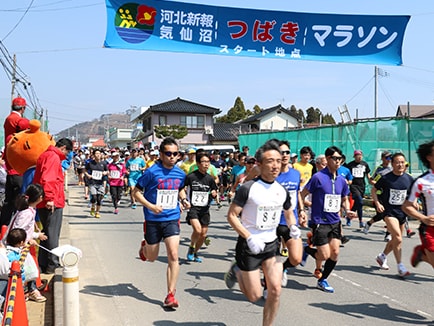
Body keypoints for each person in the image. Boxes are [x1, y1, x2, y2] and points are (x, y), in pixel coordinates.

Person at [224, 140, 301, 326]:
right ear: (259, 164)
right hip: (249, 246)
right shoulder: (248, 188)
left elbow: (288, 212)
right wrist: (248, 237)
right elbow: (232, 216)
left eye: (278, 160)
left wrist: (293, 226)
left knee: (275, 290)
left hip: (271, 245)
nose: (275, 165)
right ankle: (238, 270)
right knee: (255, 295)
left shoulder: (281, 190)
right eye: (270, 161)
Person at [132, 137, 190, 309]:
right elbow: (136, 192)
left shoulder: (180, 173)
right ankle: (145, 248)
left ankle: (171, 294)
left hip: (172, 218)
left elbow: (179, 188)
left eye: (175, 154)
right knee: (152, 258)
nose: (172, 157)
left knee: (173, 254)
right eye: (168, 153)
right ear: (161, 154)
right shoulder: (151, 172)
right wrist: (151, 206)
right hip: (153, 219)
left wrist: (184, 200)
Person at [300, 146, 356, 293]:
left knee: (335, 253)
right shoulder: (318, 177)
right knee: (324, 255)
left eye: (340, 159)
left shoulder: (342, 180)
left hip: (335, 221)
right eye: (335, 158)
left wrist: (347, 210)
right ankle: (305, 250)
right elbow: (302, 194)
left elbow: (344, 198)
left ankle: (322, 279)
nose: (338, 162)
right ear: (328, 159)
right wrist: (302, 211)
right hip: (320, 221)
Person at [33, 137, 72, 274]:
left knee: (46, 234)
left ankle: (44, 263)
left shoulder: (45, 155)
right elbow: (48, 179)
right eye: (67, 153)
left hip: (45, 201)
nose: (67, 156)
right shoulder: (53, 157)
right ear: (63, 149)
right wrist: (50, 198)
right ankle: (52, 263)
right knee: (52, 234)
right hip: (52, 201)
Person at [371, 153, 413, 277]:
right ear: (392, 164)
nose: (400, 164)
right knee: (398, 238)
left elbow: (413, 194)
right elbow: (374, 190)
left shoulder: (409, 179)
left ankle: (382, 256)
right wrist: (378, 203)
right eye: (397, 162)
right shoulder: (385, 178)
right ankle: (400, 266)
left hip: (402, 212)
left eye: (402, 162)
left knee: (396, 239)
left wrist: (414, 203)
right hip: (389, 212)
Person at [275, 140, 305, 287]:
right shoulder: (271, 174)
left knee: (296, 258)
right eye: (282, 152)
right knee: (270, 260)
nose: (285, 155)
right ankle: (268, 287)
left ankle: (284, 268)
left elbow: (297, 193)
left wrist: (302, 210)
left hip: (290, 221)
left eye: (287, 152)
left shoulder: (295, 174)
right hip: (271, 223)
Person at [402, 140, 434, 269]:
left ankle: (422, 255)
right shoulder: (421, 181)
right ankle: (423, 254)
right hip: (431, 229)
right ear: (429, 157)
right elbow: (406, 206)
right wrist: (424, 218)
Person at [0, 97, 30, 226]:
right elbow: (26, 125)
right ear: (23, 108)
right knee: (20, 201)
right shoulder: (18, 120)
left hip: (10, 166)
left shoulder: (8, 119)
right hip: (18, 167)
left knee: (9, 202)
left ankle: (3, 230)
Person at [184, 151, 218, 263]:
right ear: (198, 163)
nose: (206, 164)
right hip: (193, 208)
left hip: (205, 209)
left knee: (203, 234)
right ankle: (192, 246)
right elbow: (182, 189)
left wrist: (214, 193)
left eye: (208, 162)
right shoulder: (191, 177)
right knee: (197, 230)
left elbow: (214, 189)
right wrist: (183, 200)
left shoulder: (209, 179)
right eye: (203, 162)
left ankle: (195, 252)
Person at [5, 228, 46, 302]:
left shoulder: (7, 251)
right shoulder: (15, 256)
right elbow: (19, 269)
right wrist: (23, 280)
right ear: (21, 242)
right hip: (15, 280)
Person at [363, 151, 392, 234]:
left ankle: (388, 234)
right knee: (381, 215)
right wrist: (375, 183)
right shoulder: (379, 169)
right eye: (387, 158)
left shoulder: (392, 169)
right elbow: (372, 180)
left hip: (389, 194)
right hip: (379, 194)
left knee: (389, 214)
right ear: (382, 158)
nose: (389, 159)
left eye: (390, 157)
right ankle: (368, 223)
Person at [345, 149, 372, 228]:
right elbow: (347, 176)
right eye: (357, 156)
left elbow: (368, 175)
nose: (359, 157)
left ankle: (350, 217)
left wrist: (371, 181)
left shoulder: (365, 164)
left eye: (360, 155)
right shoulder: (350, 165)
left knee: (358, 203)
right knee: (359, 201)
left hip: (362, 186)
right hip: (353, 186)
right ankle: (360, 220)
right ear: (354, 156)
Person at [85, 148, 108, 218]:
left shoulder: (103, 163)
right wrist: (88, 175)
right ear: (93, 155)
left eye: (99, 153)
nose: (98, 155)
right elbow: (85, 170)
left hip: (100, 183)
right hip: (92, 183)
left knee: (99, 199)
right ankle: (92, 207)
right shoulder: (90, 163)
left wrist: (105, 172)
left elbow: (107, 171)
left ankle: (97, 212)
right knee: (94, 197)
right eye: (96, 154)